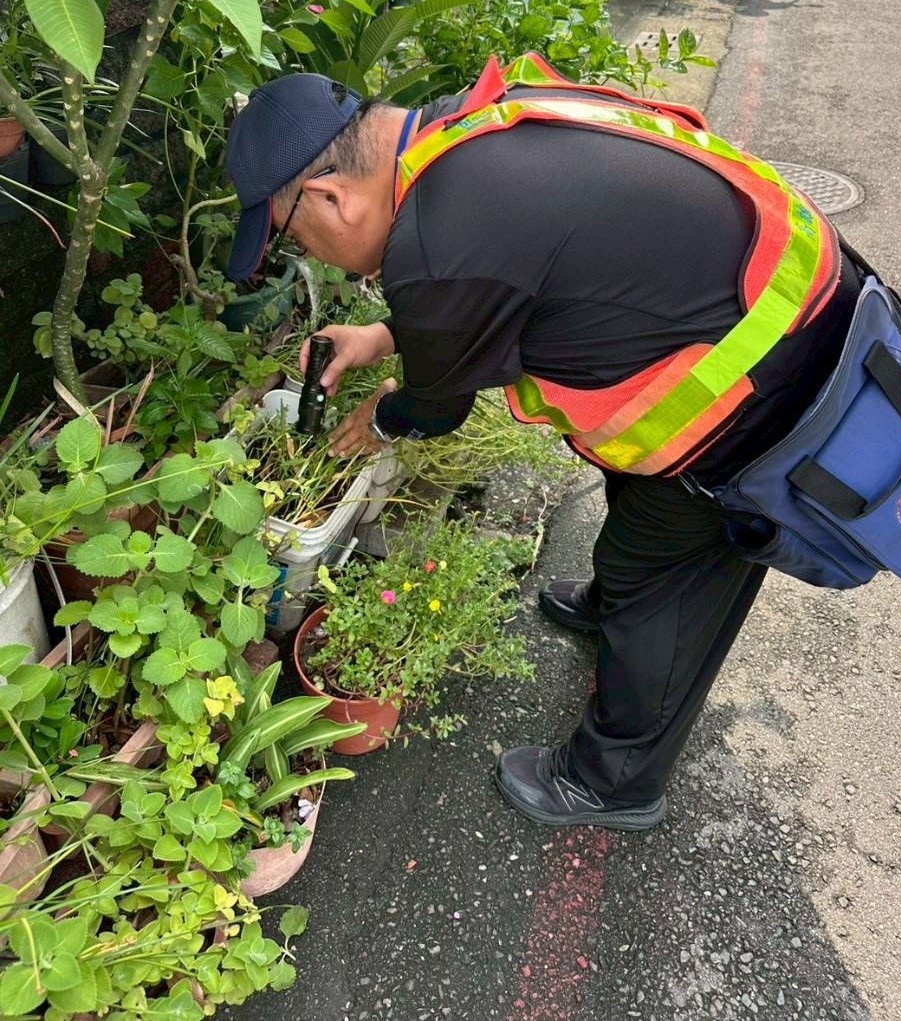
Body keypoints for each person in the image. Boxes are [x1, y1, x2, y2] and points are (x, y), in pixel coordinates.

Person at [224, 53, 864, 831]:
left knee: (665, 579)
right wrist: (384, 335)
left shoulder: (435, 245)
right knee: (638, 501)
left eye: (292, 238)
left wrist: (383, 419)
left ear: (329, 197)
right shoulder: (455, 129)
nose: (305, 256)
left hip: (774, 384)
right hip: (772, 288)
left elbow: (436, 405)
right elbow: (496, 275)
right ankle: (613, 603)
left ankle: (614, 781)